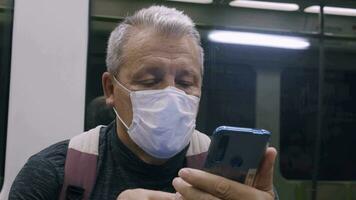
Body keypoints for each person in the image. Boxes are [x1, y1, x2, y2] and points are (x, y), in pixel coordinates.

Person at [10, 5, 278, 200]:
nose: (171, 96)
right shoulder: (53, 175)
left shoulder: (231, 180)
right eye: (150, 81)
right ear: (111, 88)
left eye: (185, 82)